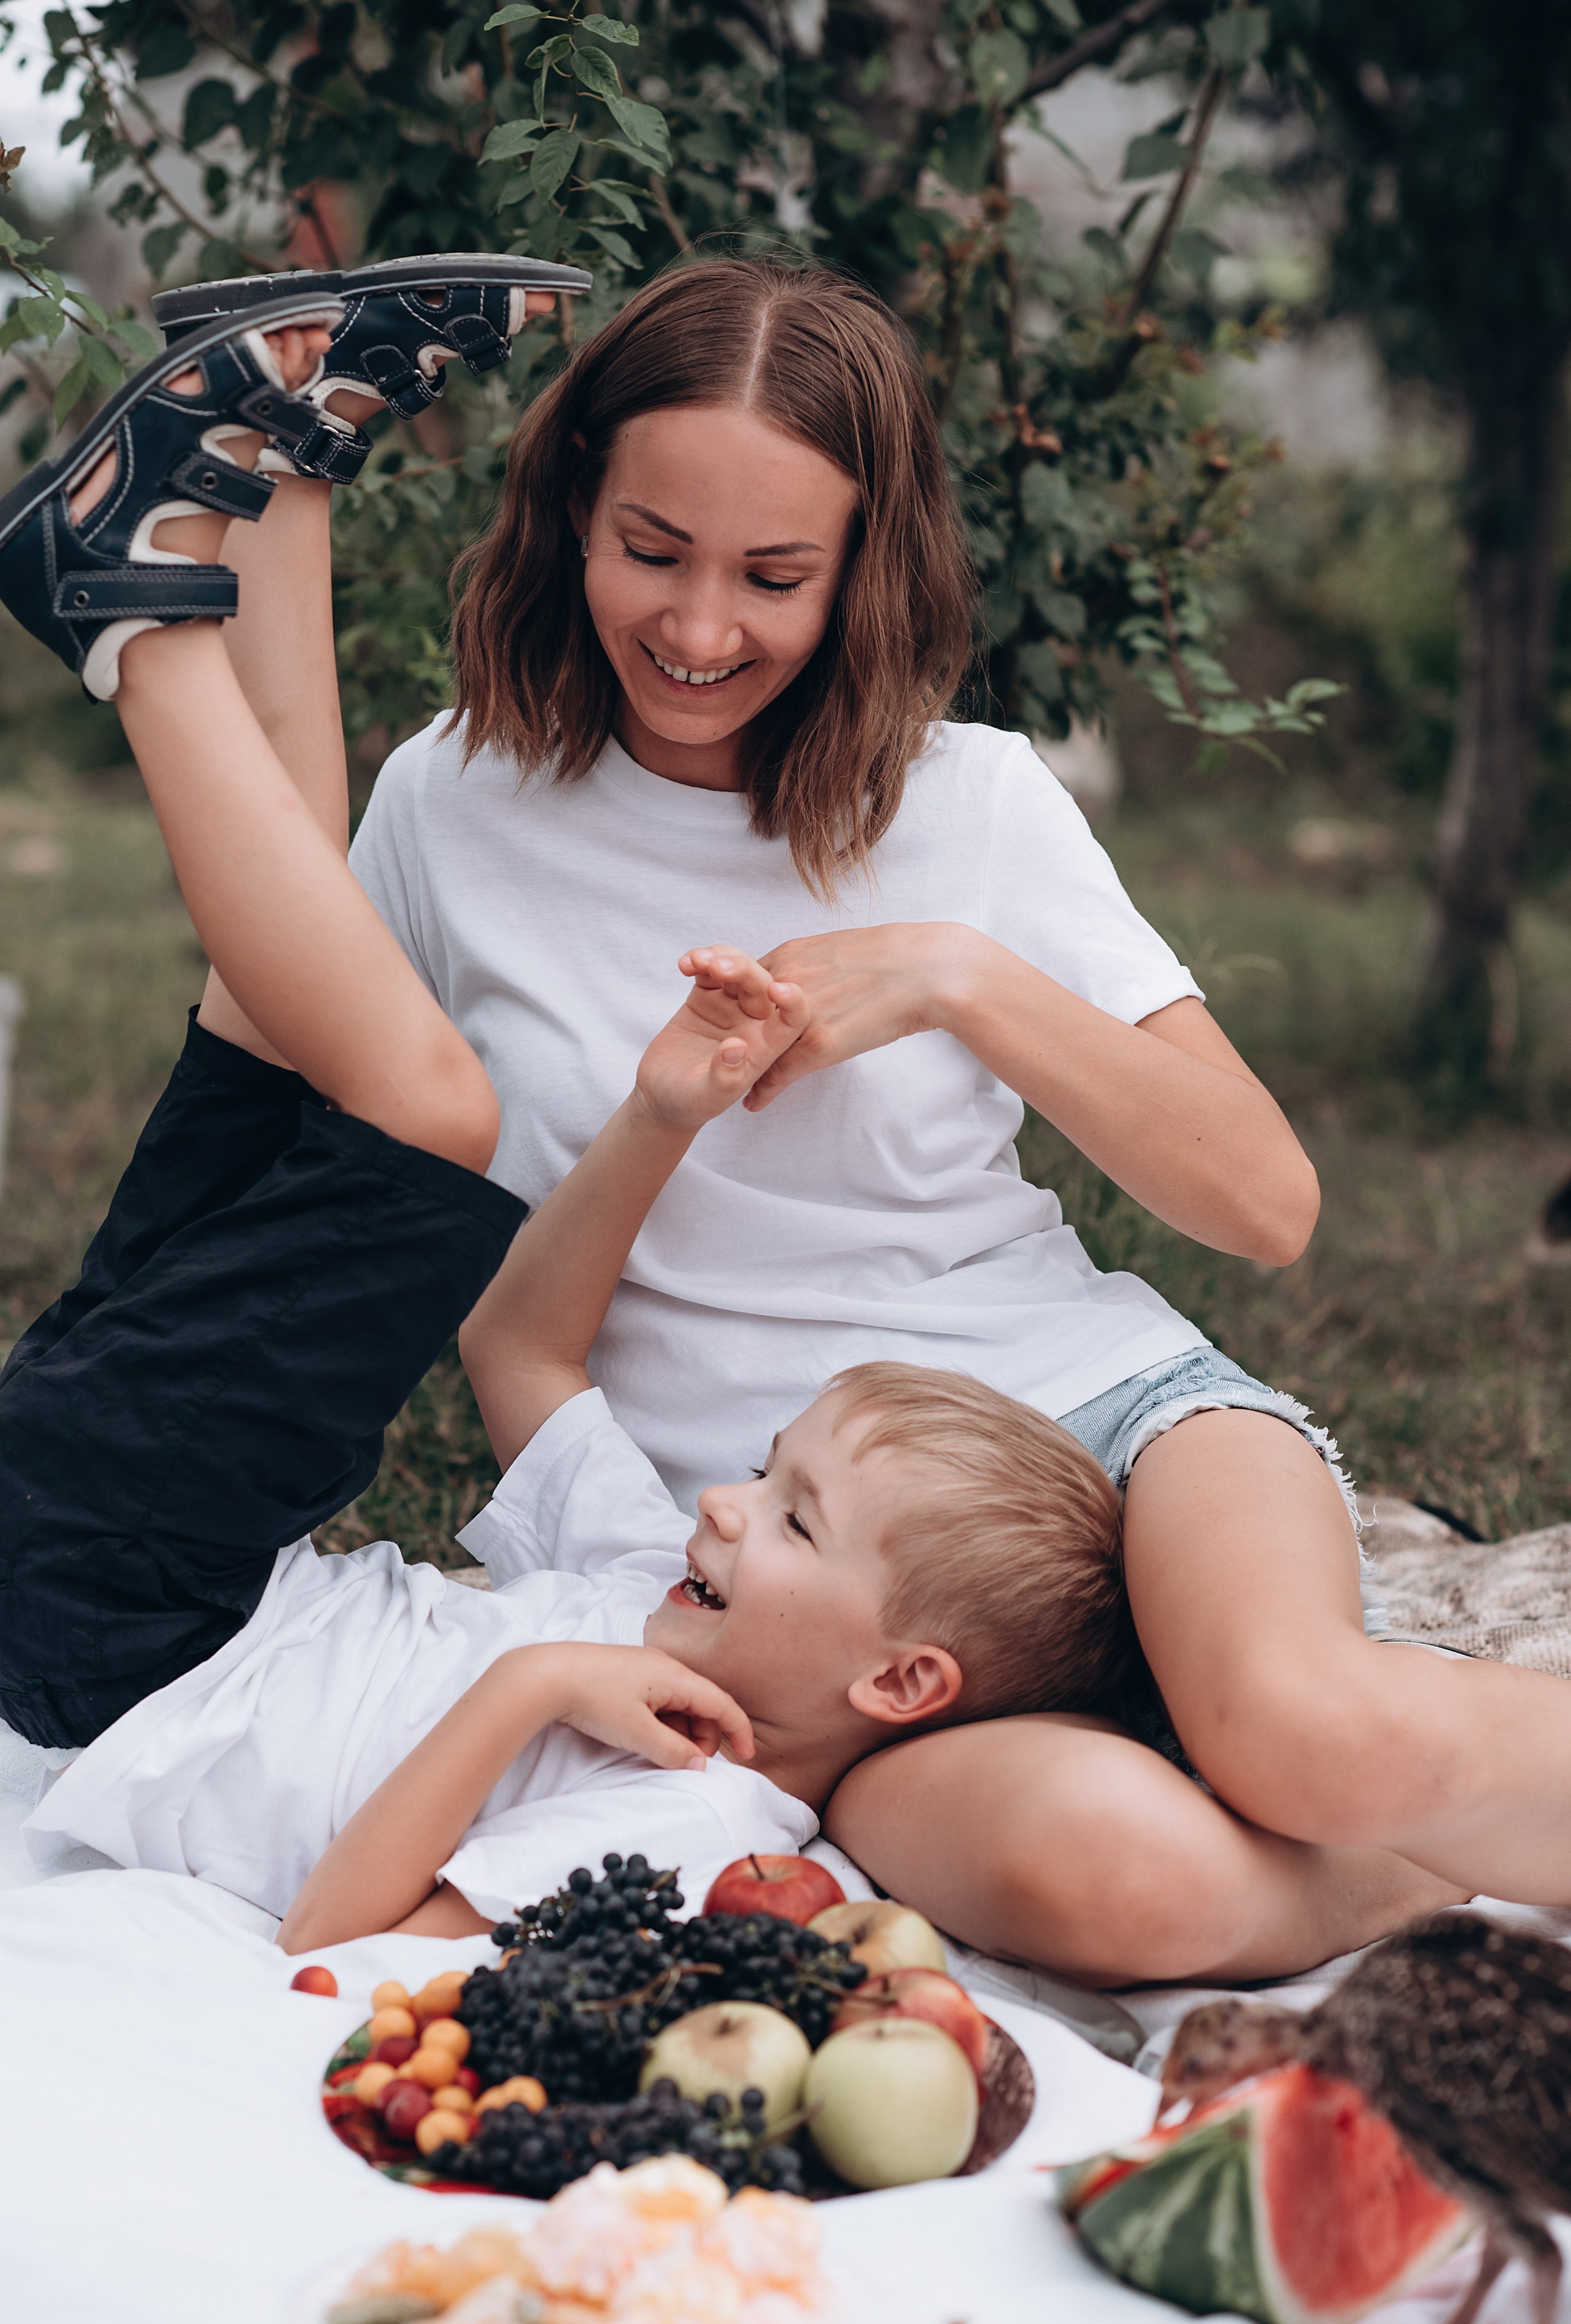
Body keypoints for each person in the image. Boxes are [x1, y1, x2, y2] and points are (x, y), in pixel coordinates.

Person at [317, 251, 1570, 1985]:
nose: (697, 631)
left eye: (773, 576)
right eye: (651, 551)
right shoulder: (445, 806)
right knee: (1117, 1879)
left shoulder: (972, 800)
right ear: (568, 511)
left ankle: (1355, 1767)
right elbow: (333, 1181)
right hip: (809, 1607)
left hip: (1102, 1426)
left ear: (861, 568)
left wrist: (954, 978)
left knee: (1295, 1730)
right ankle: (1445, 1888)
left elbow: (1265, 1202)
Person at [0, 304, 1138, 1953]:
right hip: (183, 1548)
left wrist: (537, 1682)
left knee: (433, 1111)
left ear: (897, 1678)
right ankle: (285, 454)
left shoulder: (707, 1804)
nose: (729, 1498)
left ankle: (121, 613)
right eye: (770, 1476)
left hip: (122, 1630)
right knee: (292, 935)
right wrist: (662, 1110)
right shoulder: (664, 1567)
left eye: (793, 1514)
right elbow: (528, 1352)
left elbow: (349, 1937)